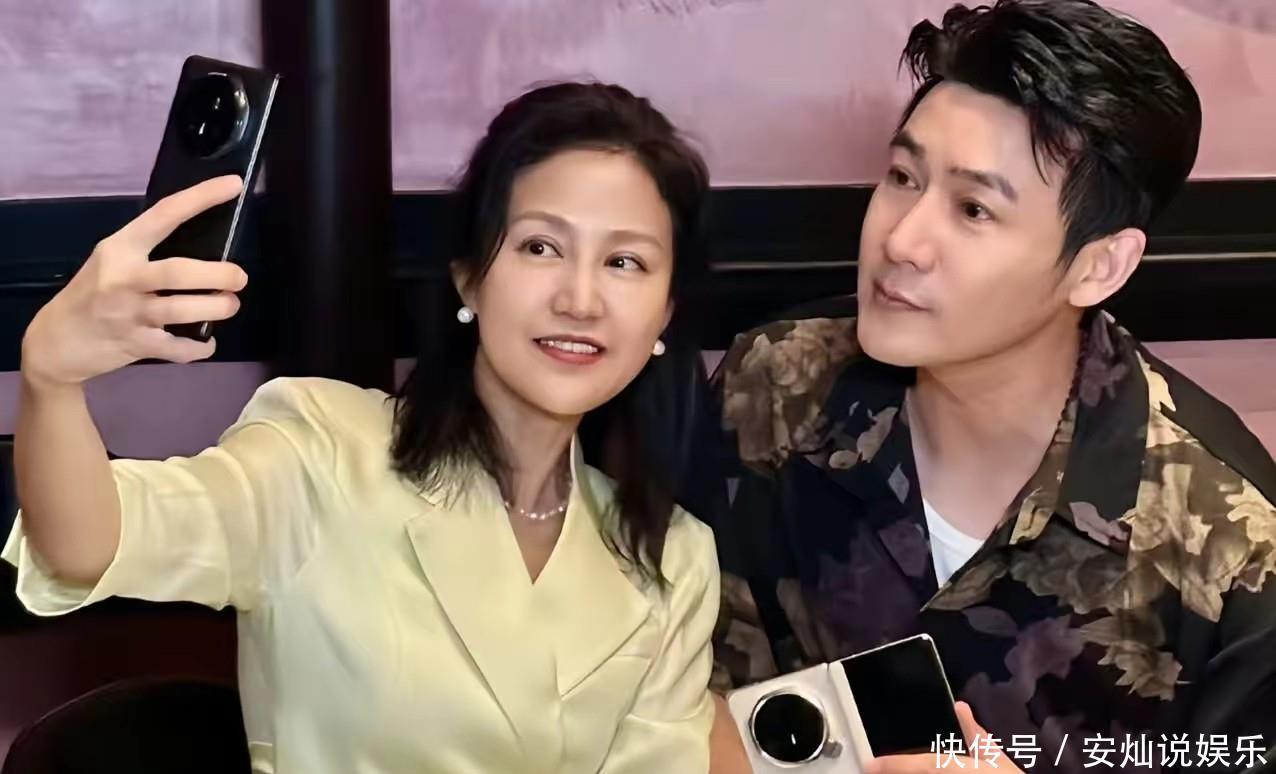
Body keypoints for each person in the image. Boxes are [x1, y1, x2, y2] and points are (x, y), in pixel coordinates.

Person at [6, 82, 722, 773]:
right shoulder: (321, 449)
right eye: (541, 247)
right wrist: (52, 381)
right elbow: (87, 543)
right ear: (470, 279)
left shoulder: (674, 560)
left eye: (625, 262)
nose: (581, 298)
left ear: (663, 314)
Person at [697, 2, 1276, 772]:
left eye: (973, 208)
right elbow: (671, 697)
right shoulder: (773, 386)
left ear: (1098, 266)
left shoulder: (1234, 542)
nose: (901, 240)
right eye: (902, 178)